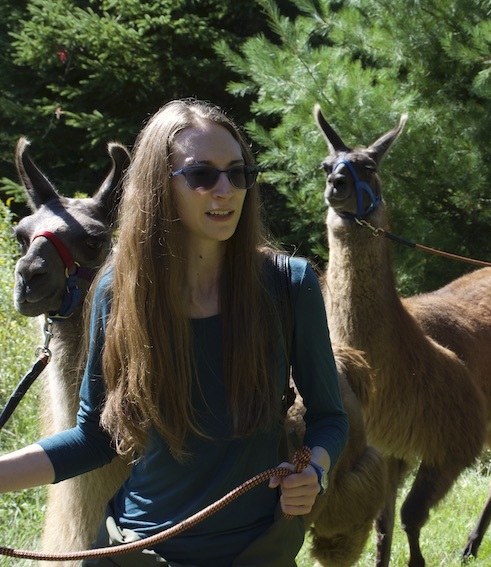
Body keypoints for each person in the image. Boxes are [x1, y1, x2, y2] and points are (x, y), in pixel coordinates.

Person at [0, 99, 349, 566]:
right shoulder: (117, 289)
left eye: (238, 173)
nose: (224, 189)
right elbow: (93, 439)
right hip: (135, 548)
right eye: (202, 175)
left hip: (254, 550)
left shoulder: (289, 284)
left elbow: (329, 417)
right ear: (158, 186)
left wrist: (315, 469)